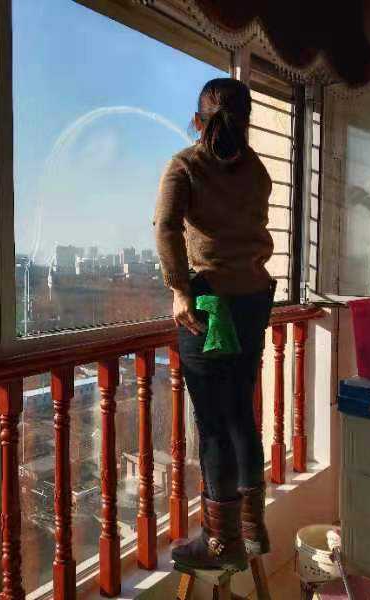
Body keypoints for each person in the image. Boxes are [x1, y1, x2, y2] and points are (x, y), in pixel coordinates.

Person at [153, 77, 275, 571]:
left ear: (197, 120)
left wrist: (179, 288)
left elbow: (166, 227)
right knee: (241, 411)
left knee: (213, 424)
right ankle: (252, 527)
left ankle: (222, 543)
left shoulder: (186, 165)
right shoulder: (258, 171)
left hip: (210, 304)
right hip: (253, 299)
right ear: (246, 123)